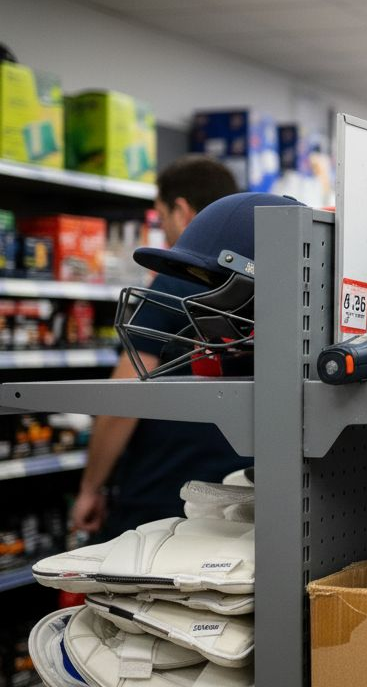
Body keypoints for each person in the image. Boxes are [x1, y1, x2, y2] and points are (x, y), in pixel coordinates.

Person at [73, 155, 247, 540]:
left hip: (163, 499)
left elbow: (123, 402)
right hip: (239, 495)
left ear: (181, 211)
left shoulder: (173, 284)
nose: (164, 230)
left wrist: (89, 488)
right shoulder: (260, 285)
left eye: (162, 216)